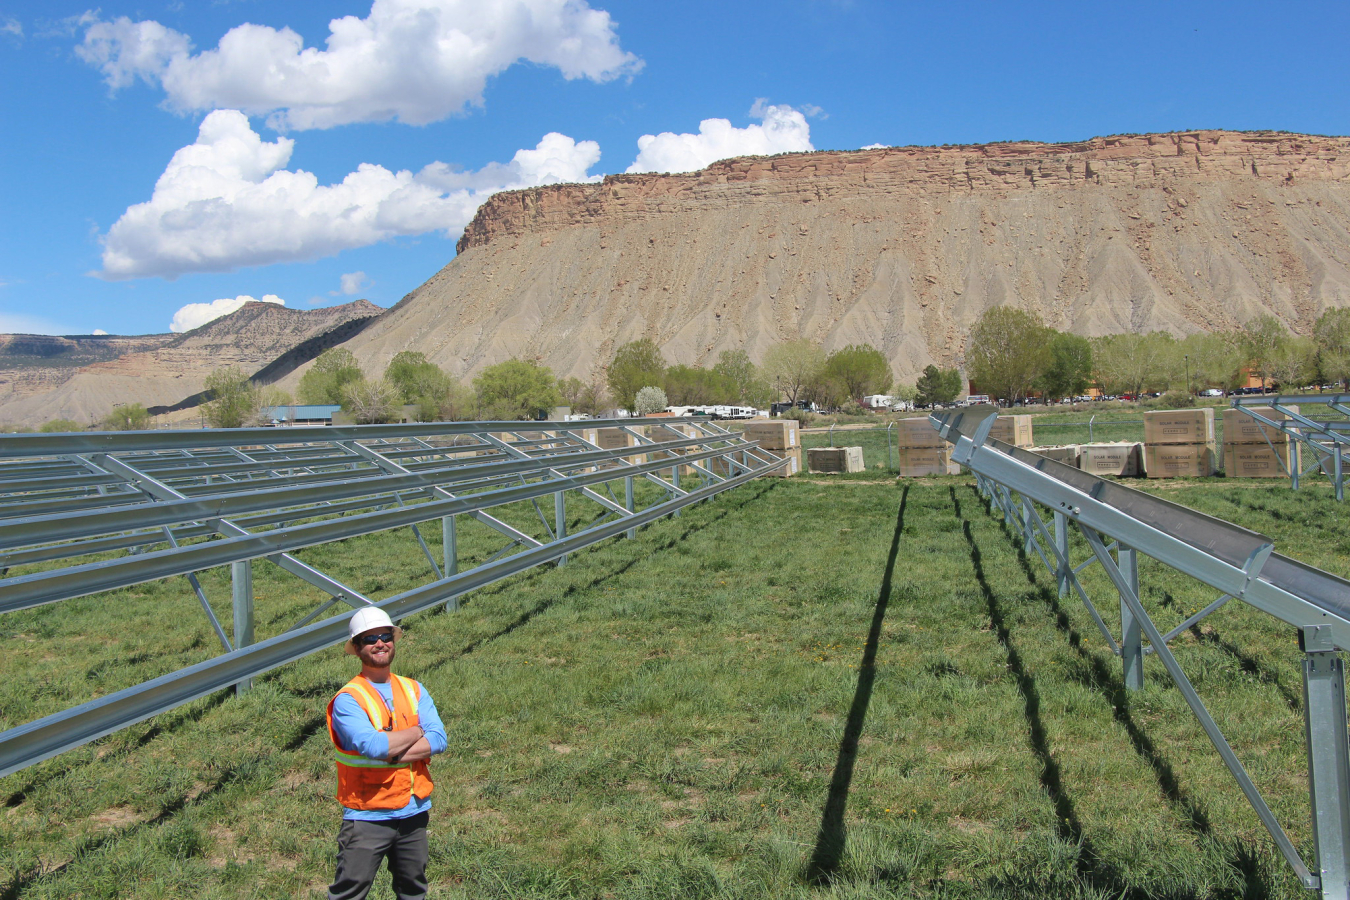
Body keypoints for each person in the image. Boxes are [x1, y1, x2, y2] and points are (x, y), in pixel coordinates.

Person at [326, 607, 447, 900]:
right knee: (349, 892)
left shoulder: (413, 688)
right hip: (367, 814)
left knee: (413, 889)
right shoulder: (348, 699)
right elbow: (374, 747)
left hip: (414, 811)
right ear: (357, 649)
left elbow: (440, 739)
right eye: (370, 639)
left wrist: (394, 751)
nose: (380, 643)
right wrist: (418, 731)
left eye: (385, 636)